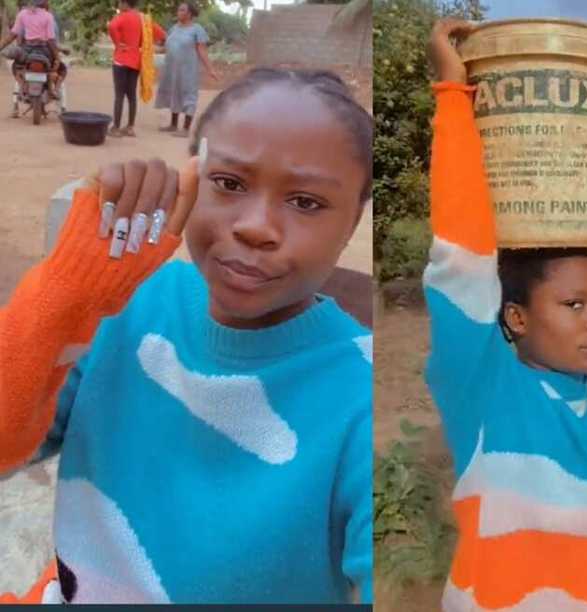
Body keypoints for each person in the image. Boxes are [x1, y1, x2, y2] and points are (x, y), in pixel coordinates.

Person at [0, 67, 374, 604]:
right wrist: (62, 297)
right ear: (190, 181)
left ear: (352, 226)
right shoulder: (127, 302)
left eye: (306, 202)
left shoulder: (360, 400)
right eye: (229, 183)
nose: (255, 226)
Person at [423, 19, 587, 611]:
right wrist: (452, 97)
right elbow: (464, 259)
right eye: (573, 305)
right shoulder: (484, 395)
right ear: (517, 317)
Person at [156, 2, 218, 137]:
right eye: (179, 10)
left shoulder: (197, 29)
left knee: (189, 96)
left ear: (190, 14)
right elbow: (168, 47)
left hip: (188, 70)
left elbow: (202, 51)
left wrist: (210, 69)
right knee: (174, 93)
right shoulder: (174, 28)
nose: (179, 12)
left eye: (182, 10)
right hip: (172, 69)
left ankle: (185, 129)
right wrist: (151, 51)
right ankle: (173, 125)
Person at [107, 0, 166, 137]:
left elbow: (112, 27)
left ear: (125, 3)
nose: (119, 6)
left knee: (119, 95)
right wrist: (151, 45)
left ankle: (116, 128)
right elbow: (162, 34)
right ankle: (130, 127)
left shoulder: (121, 16)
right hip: (136, 60)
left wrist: (118, 43)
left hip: (121, 59)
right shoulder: (144, 18)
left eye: (119, 3)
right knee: (131, 95)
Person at [0, 0, 63, 118]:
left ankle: (22, 85)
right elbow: (50, 39)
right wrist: (57, 58)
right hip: (44, 50)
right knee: (60, 68)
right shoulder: (48, 16)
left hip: (27, 51)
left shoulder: (22, 14)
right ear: (44, 4)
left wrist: (1, 46)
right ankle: (53, 90)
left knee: (15, 66)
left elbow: (13, 35)